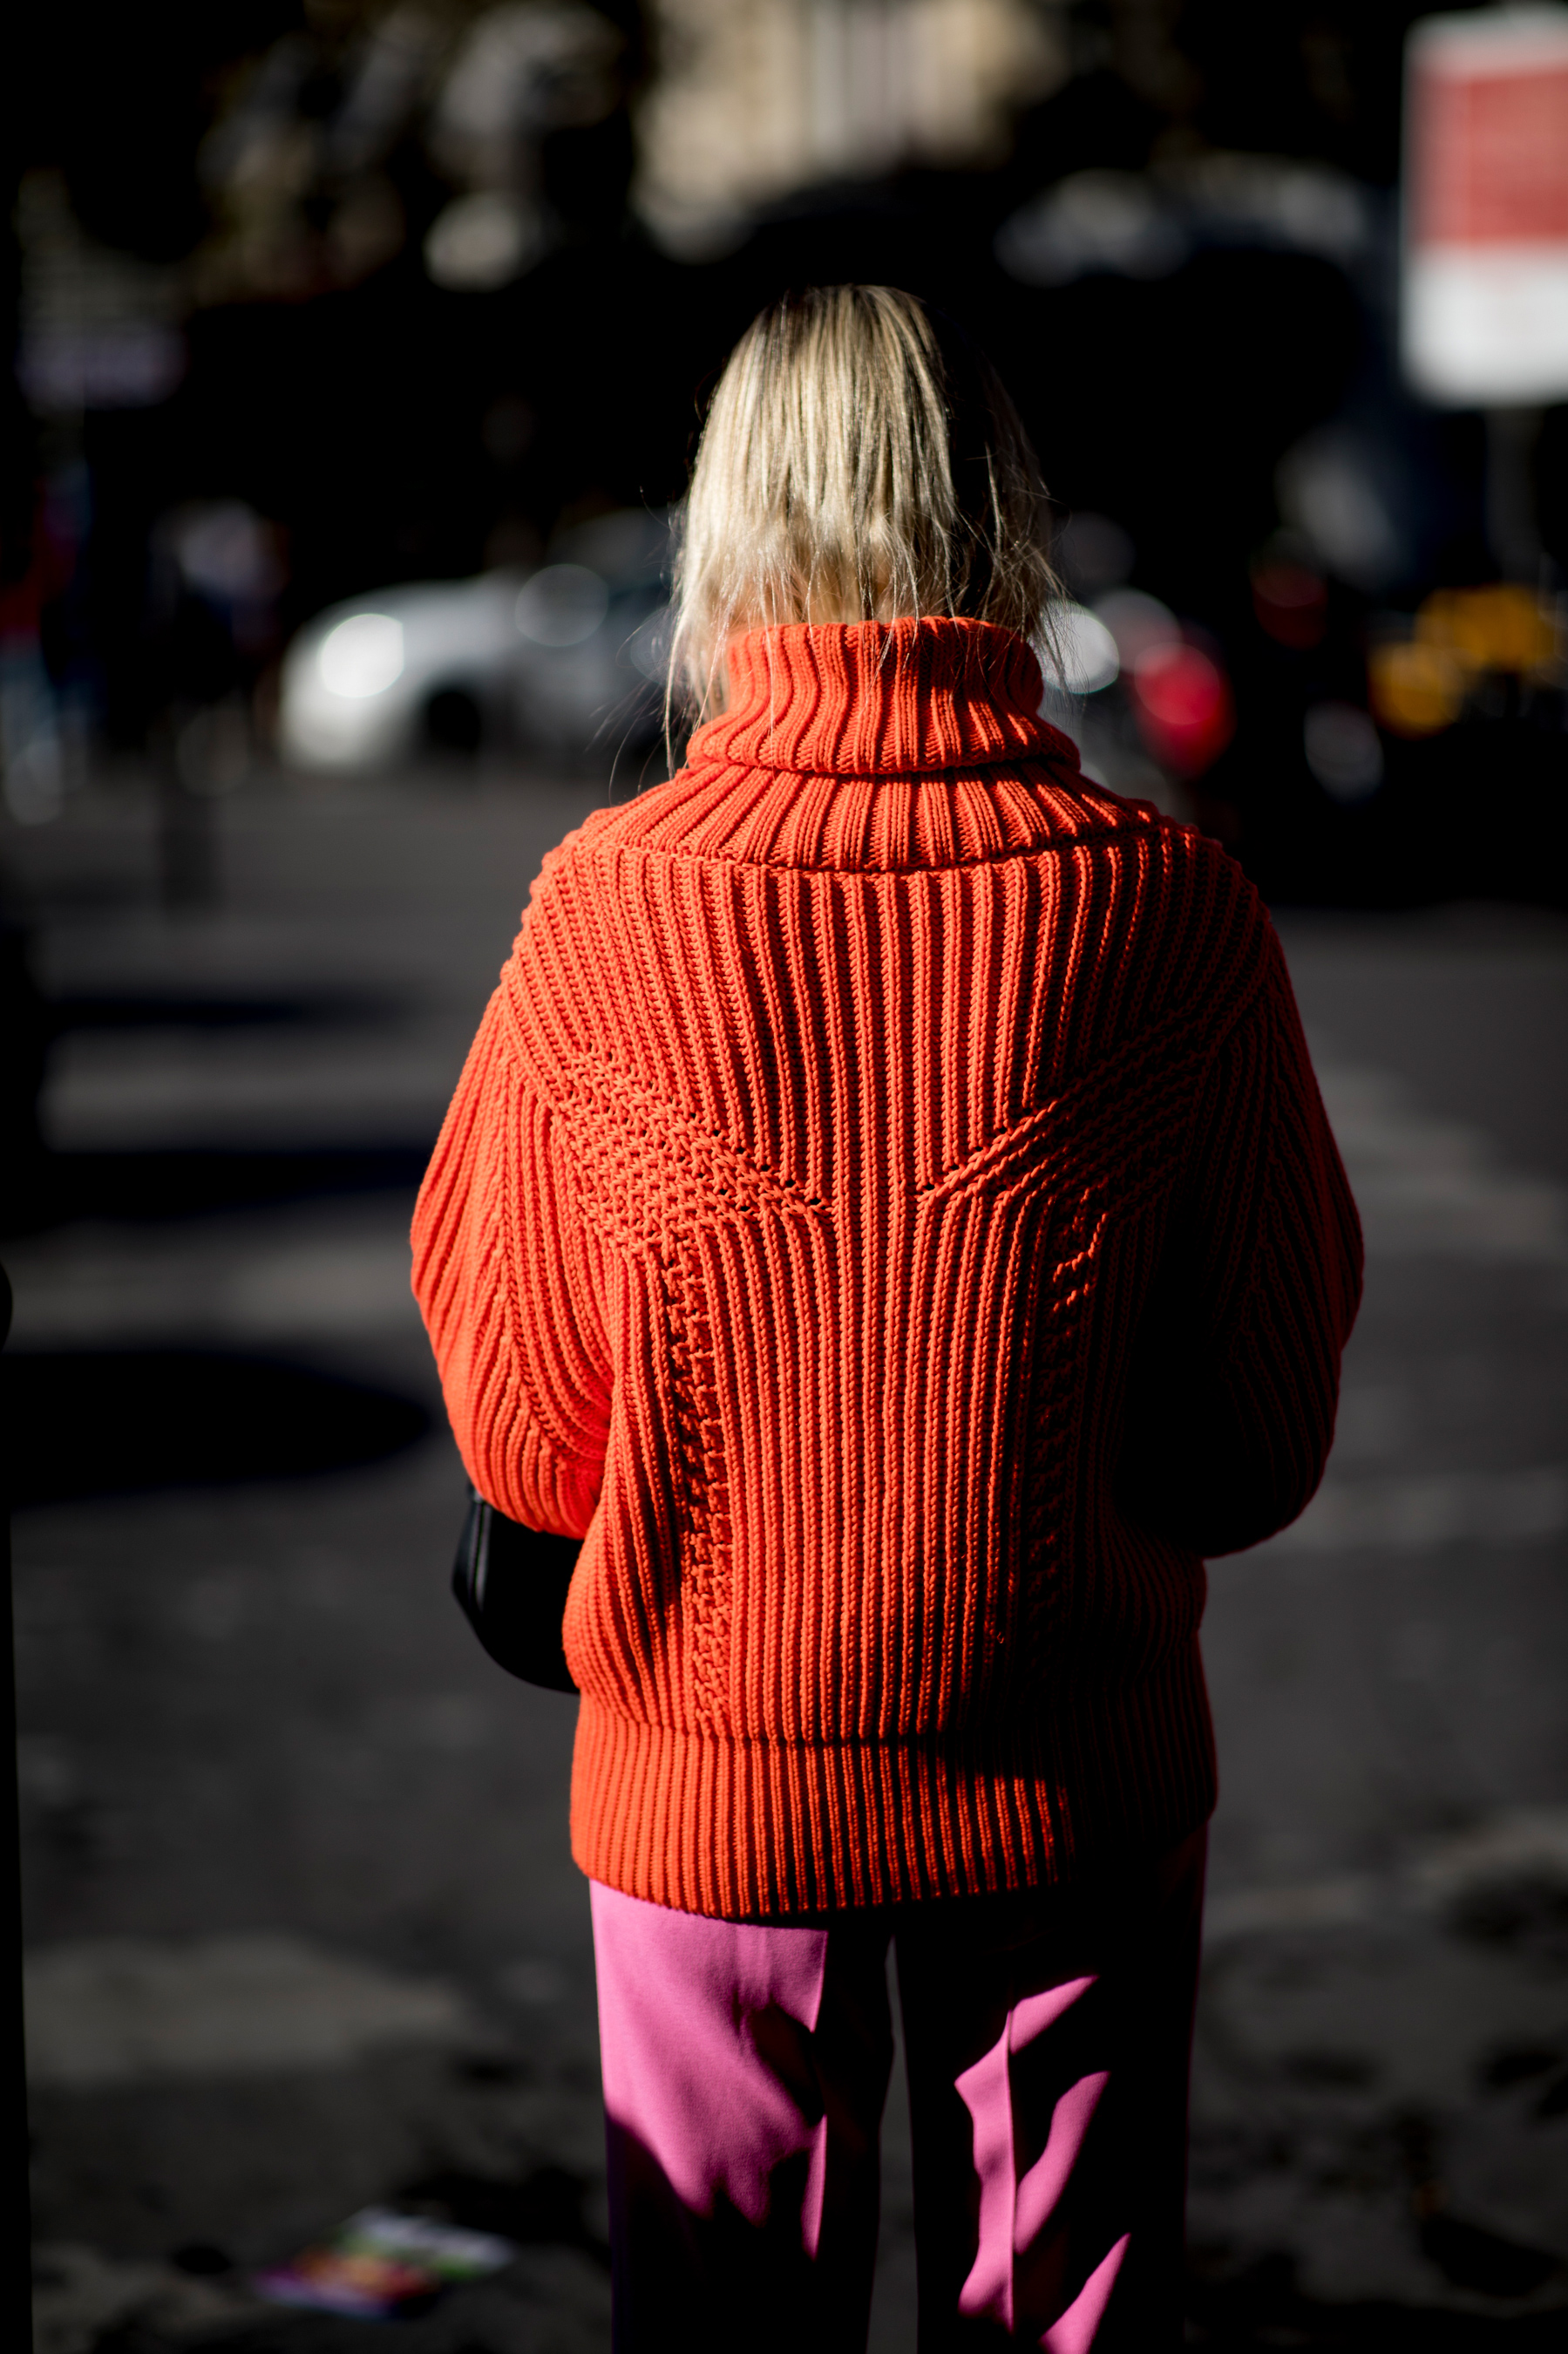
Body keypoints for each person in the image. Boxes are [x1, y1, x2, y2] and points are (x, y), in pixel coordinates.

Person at [411, 285, 1361, 2352]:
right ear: (997, 514)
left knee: (721, 2319)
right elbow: (1253, 1445)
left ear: (722, 527)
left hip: (704, 1789)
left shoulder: (599, 912)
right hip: (1074, 1781)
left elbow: (522, 1433)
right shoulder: (1173, 915)